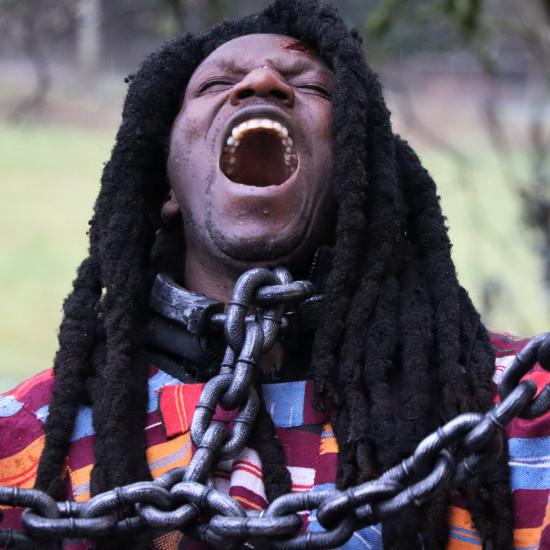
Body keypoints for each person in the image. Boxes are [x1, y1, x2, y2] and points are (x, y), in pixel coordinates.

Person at [0, 0, 548, 549]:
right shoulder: (24, 445)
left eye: (310, 87)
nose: (261, 80)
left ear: (354, 176)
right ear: (167, 185)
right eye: (216, 84)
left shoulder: (513, 416)